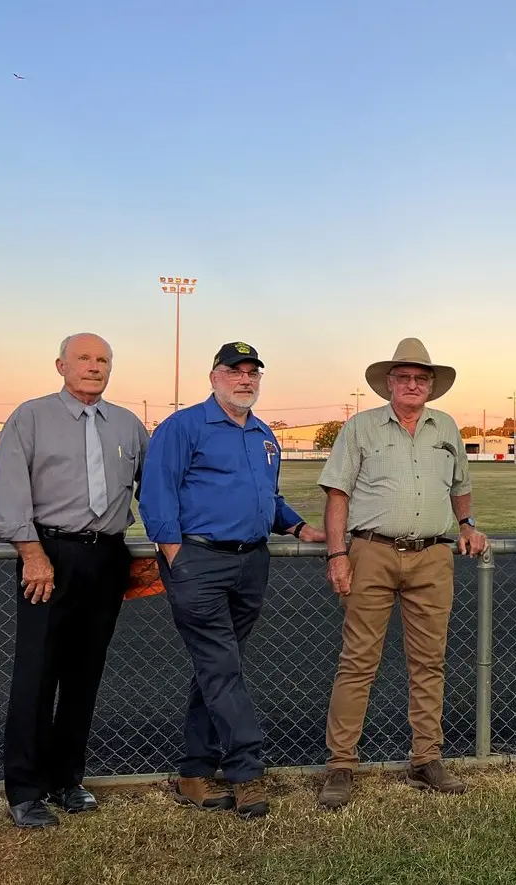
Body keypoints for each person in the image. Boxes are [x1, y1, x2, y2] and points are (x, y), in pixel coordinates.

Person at [139, 342, 325, 819]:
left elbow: (268, 497)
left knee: (217, 669)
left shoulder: (263, 434)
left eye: (252, 373)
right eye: (235, 371)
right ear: (214, 376)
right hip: (198, 560)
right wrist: (175, 554)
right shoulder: (183, 426)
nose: (245, 379)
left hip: (250, 562)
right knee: (221, 666)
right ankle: (246, 771)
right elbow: (156, 493)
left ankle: (194, 771)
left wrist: (298, 526)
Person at [316, 339, 489, 809]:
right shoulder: (361, 427)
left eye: (421, 378)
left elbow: (461, 486)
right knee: (358, 661)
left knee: (429, 662)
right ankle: (341, 764)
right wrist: (337, 554)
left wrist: (467, 524)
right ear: (389, 383)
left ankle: (425, 759)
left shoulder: (446, 427)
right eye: (404, 377)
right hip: (371, 551)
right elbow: (337, 493)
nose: (413, 385)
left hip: (432, 555)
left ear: (430, 386)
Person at [0, 334, 148, 828]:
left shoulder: (127, 424)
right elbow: (7, 490)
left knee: (84, 674)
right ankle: (25, 790)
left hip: (107, 556)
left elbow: (156, 487)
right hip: (48, 556)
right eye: (83, 359)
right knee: (37, 674)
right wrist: (32, 554)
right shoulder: (31, 417)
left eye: (103, 360)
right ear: (61, 365)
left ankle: (67, 779)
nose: (94, 367)